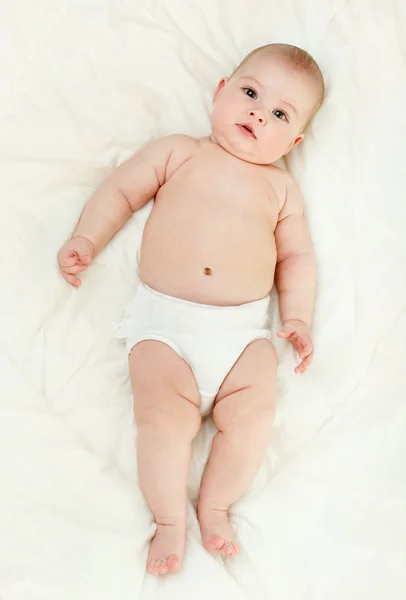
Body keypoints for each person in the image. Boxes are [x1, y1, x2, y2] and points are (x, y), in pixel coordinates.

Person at [58, 43, 324, 576]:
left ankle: (216, 505)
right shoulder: (179, 151)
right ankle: (168, 520)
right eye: (250, 93)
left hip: (242, 333)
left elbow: (296, 257)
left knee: (254, 414)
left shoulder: (281, 188)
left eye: (278, 114)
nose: (257, 113)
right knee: (162, 418)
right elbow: (120, 191)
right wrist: (86, 237)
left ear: (293, 142)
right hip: (166, 327)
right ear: (220, 91)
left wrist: (296, 318)